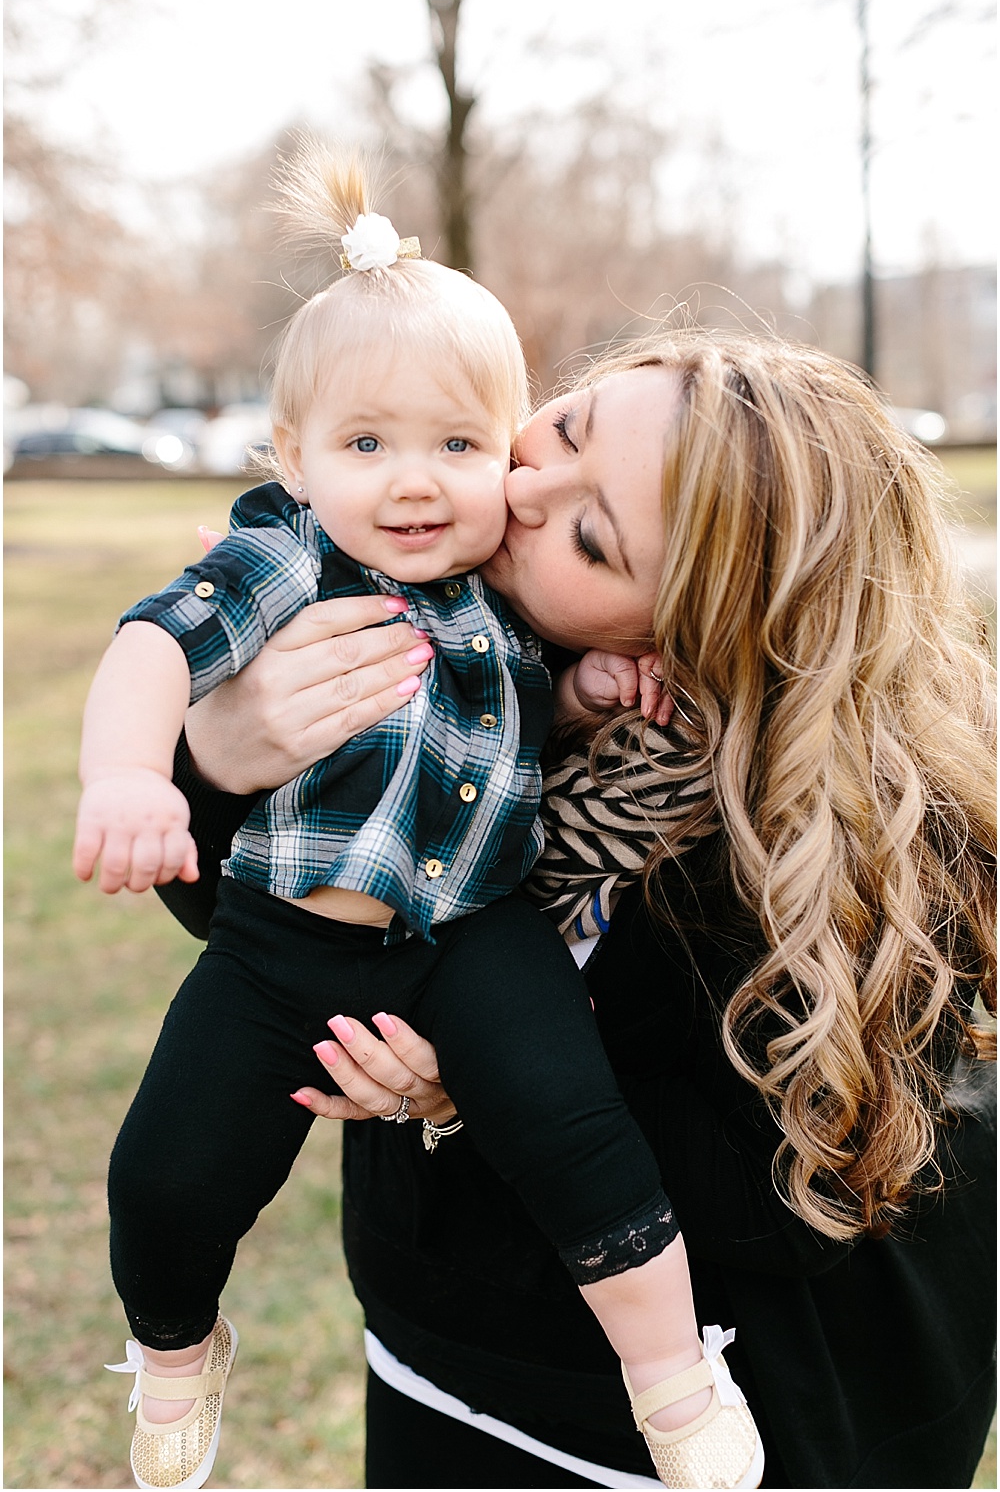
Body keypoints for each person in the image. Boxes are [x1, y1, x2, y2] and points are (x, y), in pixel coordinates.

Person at [160, 325, 996, 1489]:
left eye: (591, 536)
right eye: (565, 424)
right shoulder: (431, 622)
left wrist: (483, 1072)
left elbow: (799, 1198)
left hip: (772, 1412)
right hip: (444, 1344)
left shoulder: (851, 830)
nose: (517, 485)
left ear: (696, 632)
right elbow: (268, 925)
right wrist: (221, 760)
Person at [76, 145, 761, 1491]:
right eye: (367, 443)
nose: (415, 483)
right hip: (286, 936)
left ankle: (670, 1372)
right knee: (171, 1169)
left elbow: (507, 724)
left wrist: (585, 694)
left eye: (458, 445)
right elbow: (153, 647)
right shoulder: (288, 551)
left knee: (582, 1141)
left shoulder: (496, 582)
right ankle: (170, 1347)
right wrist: (130, 777)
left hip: (472, 931)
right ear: (294, 454)